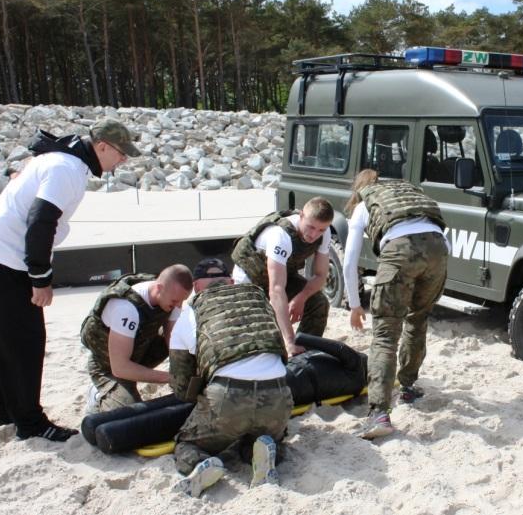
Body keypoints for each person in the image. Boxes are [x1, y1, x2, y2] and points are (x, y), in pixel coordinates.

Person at [0, 118, 138, 441]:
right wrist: (40, 277)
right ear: (101, 146)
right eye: (120, 152)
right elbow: (41, 222)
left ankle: (4, 408)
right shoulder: (66, 169)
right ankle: (29, 421)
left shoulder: (61, 159)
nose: (124, 160)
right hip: (8, 258)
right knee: (26, 341)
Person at [343, 169, 449, 439]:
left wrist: (355, 304)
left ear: (360, 188)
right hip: (438, 249)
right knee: (418, 319)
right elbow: (442, 237)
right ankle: (408, 387)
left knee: (385, 335)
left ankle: (379, 413)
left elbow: (350, 258)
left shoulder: (365, 203)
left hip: (399, 250)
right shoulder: (408, 193)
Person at [168, 279, 293, 498]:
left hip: (228, 397)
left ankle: (203, 463)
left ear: (198, 289)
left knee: (186, 444)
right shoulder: (258, 299)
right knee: (268, 439)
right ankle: (260, 454)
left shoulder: (190, 314)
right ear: (231, 283)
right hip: (278, 395)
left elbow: (181, 385)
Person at [81, 265, 193, 413]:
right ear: (159, 288)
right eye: (175, 301)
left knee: (180, 339)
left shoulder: (167, 295)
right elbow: (120, 367)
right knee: (126, 412)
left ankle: (129, 382)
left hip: (138, 350)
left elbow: (173, 340)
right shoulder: (126, 308)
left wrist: (186, 373)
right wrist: (170, 378)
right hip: (107, 365)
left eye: (182, 301)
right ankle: (97, 393)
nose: (178, 305)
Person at [231, 196, 334, 356]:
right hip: (250, 279)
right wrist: (289, 340)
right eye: (311, 227)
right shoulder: (280, 236)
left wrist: (301, 298)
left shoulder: (324, 232)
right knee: (258, 334)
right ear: (301, 215)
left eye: (320, 230)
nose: (314, 234)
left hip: (282, 275)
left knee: (318, 302)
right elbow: (276, 290)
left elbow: (321, 275)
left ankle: (305, 353)